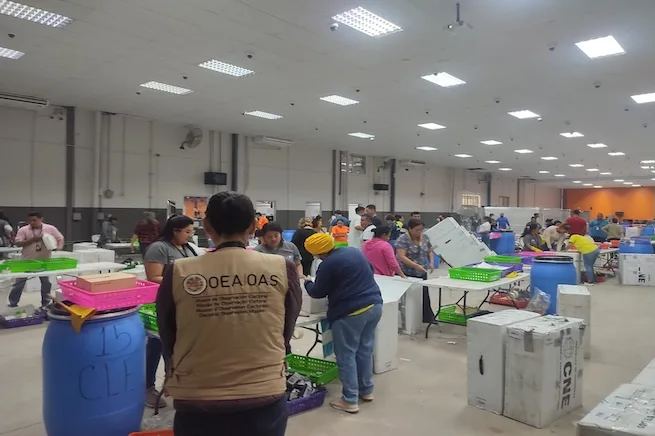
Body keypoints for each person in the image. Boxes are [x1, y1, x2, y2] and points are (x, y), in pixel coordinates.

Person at [156, 191, 301, 435]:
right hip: (263, 392)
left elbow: (168, 331)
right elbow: (287, 327)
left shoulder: (179, 271)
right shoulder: (281, 268)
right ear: (253, 226)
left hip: (197, 396)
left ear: (207, 226)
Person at [303, 233, 383, 414]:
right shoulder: (353, 251)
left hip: (352, 312)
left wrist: (307, 283)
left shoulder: (327, 264)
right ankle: (366, 390)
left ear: (317, 253)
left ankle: (350, 399)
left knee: (346, 355)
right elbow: (369, 270)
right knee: (364, 350)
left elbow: (318, 292)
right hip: (374, 305)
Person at [143, 215, 199, 409]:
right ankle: (148, 387)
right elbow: (153, 277)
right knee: (158, 344)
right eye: (187, 232)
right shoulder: (159, 248)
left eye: (191, 232)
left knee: (178, 346)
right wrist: (183, 281)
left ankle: (174, 383)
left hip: (184, 304)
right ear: (175, 231)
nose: (190, 235)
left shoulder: (188, 248)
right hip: (165, 303)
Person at [7, 211, 64, 308]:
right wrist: (34, 239)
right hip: (26, 261)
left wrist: (59, 248)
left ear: (41, 219)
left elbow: (60, 238)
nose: (32, 222)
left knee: (46, 283)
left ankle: (45, 303)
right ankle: (13, 303)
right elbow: (18, 243)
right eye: (30, 221)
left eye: (34, 220)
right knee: (19, 283)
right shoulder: (23, 230)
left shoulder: (50, 228)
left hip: (43, 261)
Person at [396, 218, 434, 323]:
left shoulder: (425, 237)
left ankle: (427, 317)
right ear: (410, 229)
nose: (419, 232)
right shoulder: (403, 239)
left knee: (424, 294)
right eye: (417, 230)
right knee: (409, 297)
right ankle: (408, 320)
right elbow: (401, 256)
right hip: (407, 272)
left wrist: (431, 262)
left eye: (421, 230)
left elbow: (430, 250)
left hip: (422, 271)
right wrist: (415, 266)